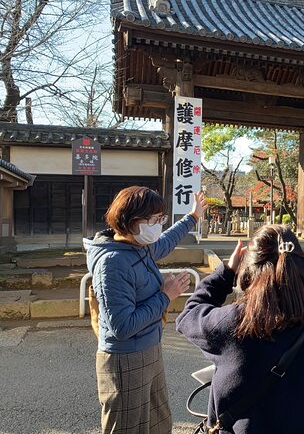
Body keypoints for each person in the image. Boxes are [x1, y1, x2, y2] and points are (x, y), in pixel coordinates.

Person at [176, 225, 304, 434]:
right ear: (303, 270)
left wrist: (225, 274)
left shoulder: (233, 322)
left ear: (248, 269)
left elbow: (188, 316)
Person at [84, 186, 207, 434]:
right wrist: (166, 296)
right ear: (130, 221)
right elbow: (122, 326)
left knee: (159, 423)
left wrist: (193, 216)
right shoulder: (112, 263)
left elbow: (168, 240)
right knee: (127, 427)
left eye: (160, 219)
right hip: (125, 357)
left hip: (150, 348)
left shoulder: (140, 246)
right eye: (153, 219)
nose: (158, 225)